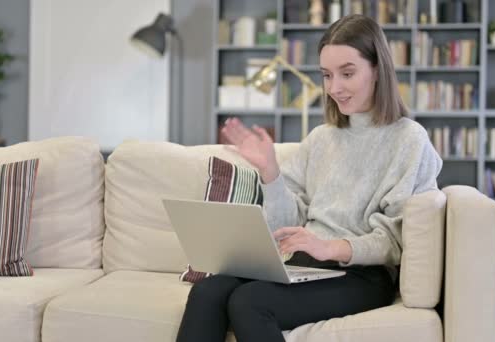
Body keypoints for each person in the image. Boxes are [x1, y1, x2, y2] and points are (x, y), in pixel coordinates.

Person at [176, 14, 442, 342]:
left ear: (377, 69)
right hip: (304, 264)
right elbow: (286, 225)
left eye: (347, 73)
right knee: (208, 292)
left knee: (250, 302)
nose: (334, 88)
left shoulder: (409, 139)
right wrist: (271, 175)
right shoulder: (321, 138)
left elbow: (394, 243)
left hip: (361, 275)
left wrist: (330, 247)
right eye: (327, 76)